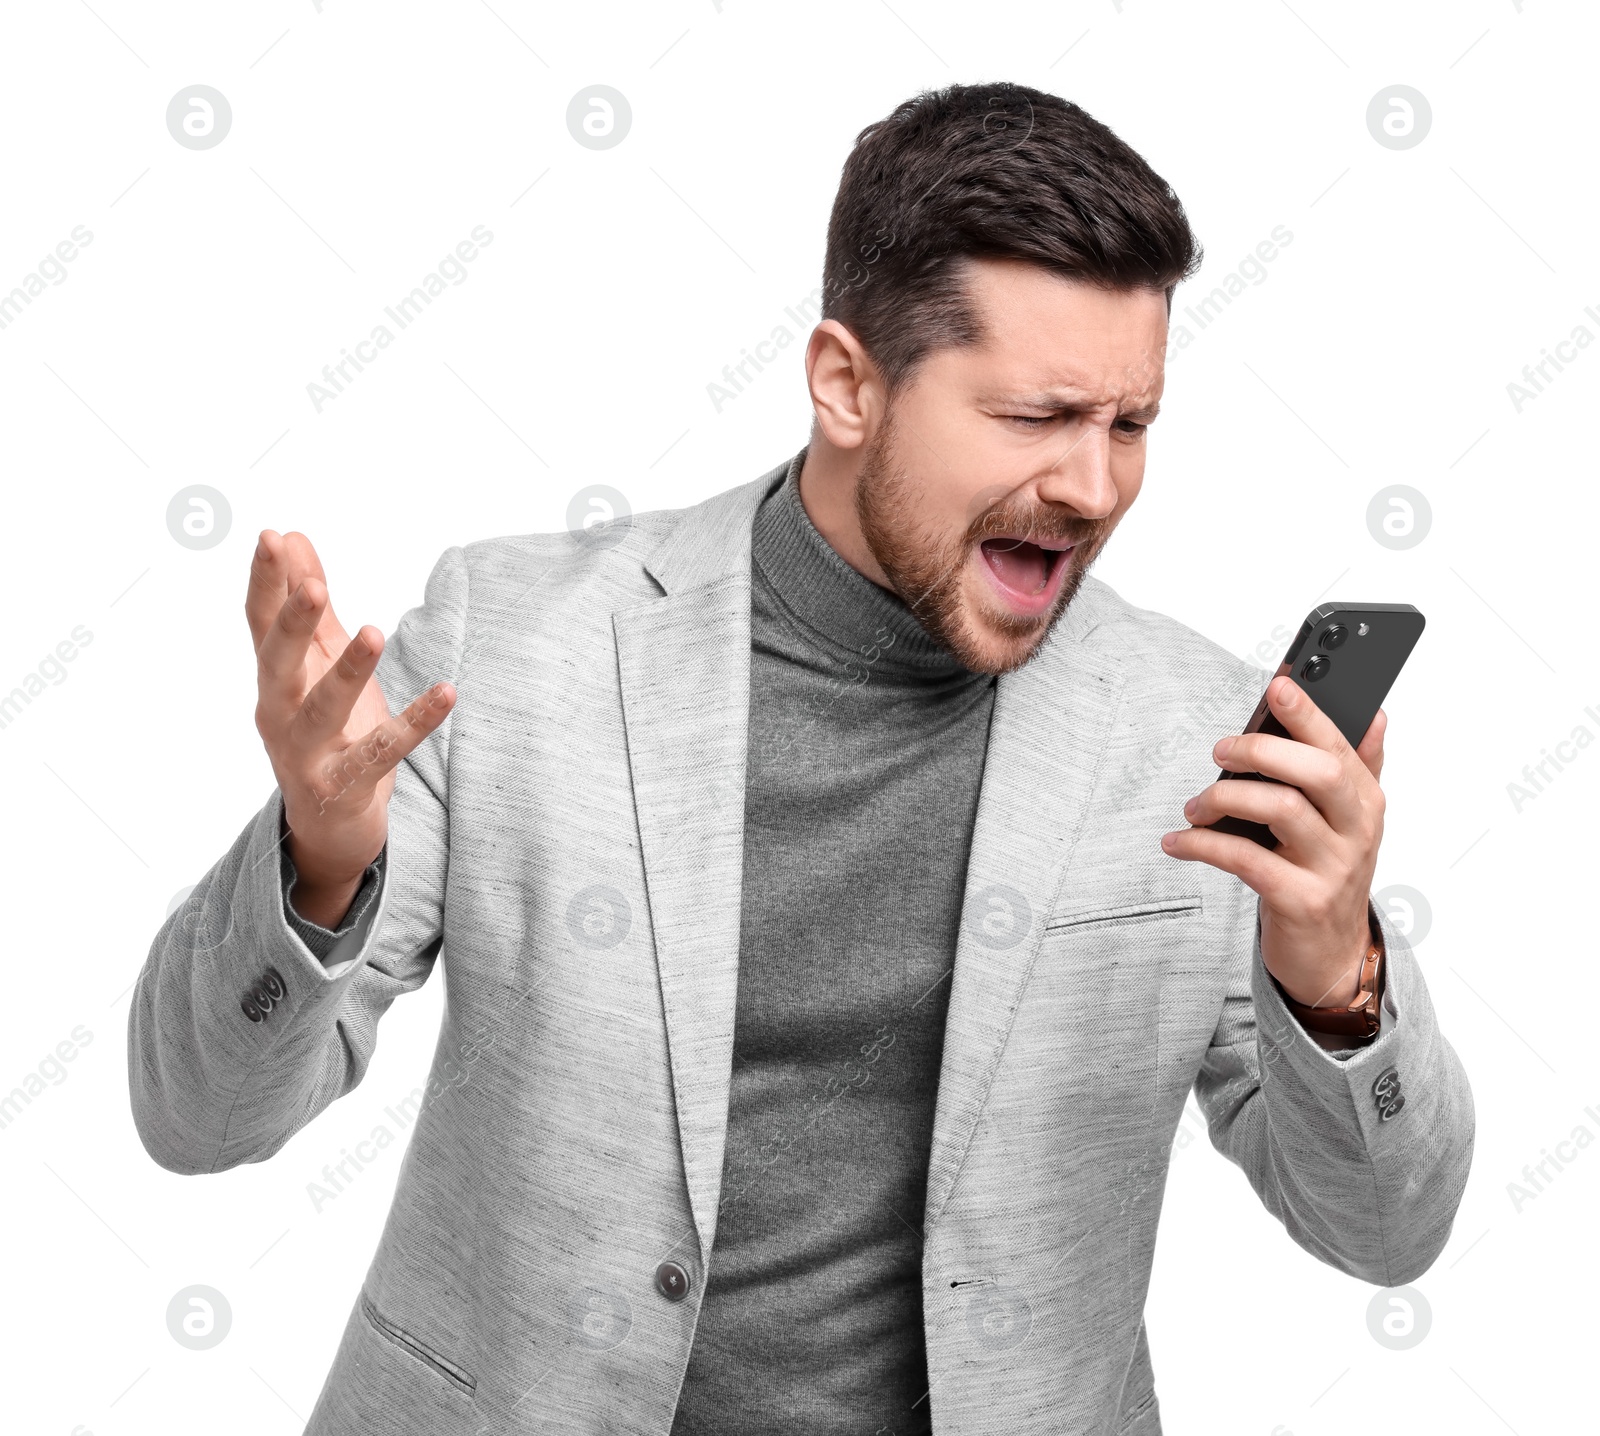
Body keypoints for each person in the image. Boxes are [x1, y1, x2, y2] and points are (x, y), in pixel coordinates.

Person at [129, 81, 1473, 1435]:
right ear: (847, 385)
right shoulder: (521, 644)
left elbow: (1384, 1233)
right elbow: (197, 1117)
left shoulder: (1203, 739)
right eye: (1036, 417)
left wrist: (1335, 979)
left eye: (1129, 426)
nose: (1094, 487)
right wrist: (315, 867)